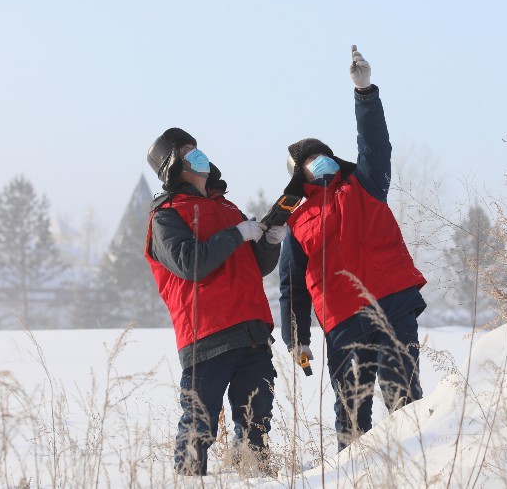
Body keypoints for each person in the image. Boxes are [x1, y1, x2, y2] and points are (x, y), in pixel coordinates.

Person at [279, 46, 428, 451]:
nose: (319, 161)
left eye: (321, 154)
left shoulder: (365, 183)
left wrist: (364, 93)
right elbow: (291, 284)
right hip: (342, 320)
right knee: (351, 414)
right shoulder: (295, 220)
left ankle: (417, 468)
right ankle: (353, 476)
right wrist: (297, 338)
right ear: (298, 175)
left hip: (393, 302)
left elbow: (375, 145)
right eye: (309, 160)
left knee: (404, 398)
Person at [144, 127, 289, 476]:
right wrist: (237, 233)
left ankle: (254, 477)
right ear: (174, 165)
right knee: (199, 422)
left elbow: (255, 266)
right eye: (189, 151)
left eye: (198, 149)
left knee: (256, 421)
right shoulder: (166, 215)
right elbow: (189, 263)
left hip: (252, 330)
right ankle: (190, 481)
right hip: (207, 334)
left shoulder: (226, 206)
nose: (199, 155)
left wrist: (269, 242)